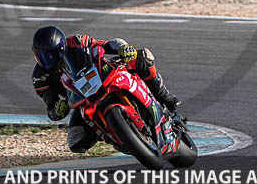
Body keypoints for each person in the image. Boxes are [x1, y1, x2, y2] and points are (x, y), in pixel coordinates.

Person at [31, 25, 180, 153]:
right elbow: (51, 108)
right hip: (80, 100)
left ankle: (163, 95)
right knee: (76, 143)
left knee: (142, 56)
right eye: (43, 57)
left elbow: (107, 44)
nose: (48, 61)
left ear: (62, 46)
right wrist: (58, 110)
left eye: (51, 55)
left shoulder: (76, 41)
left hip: (101, 75)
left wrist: (123, 48)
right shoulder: (39, 78)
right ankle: (117, 136)